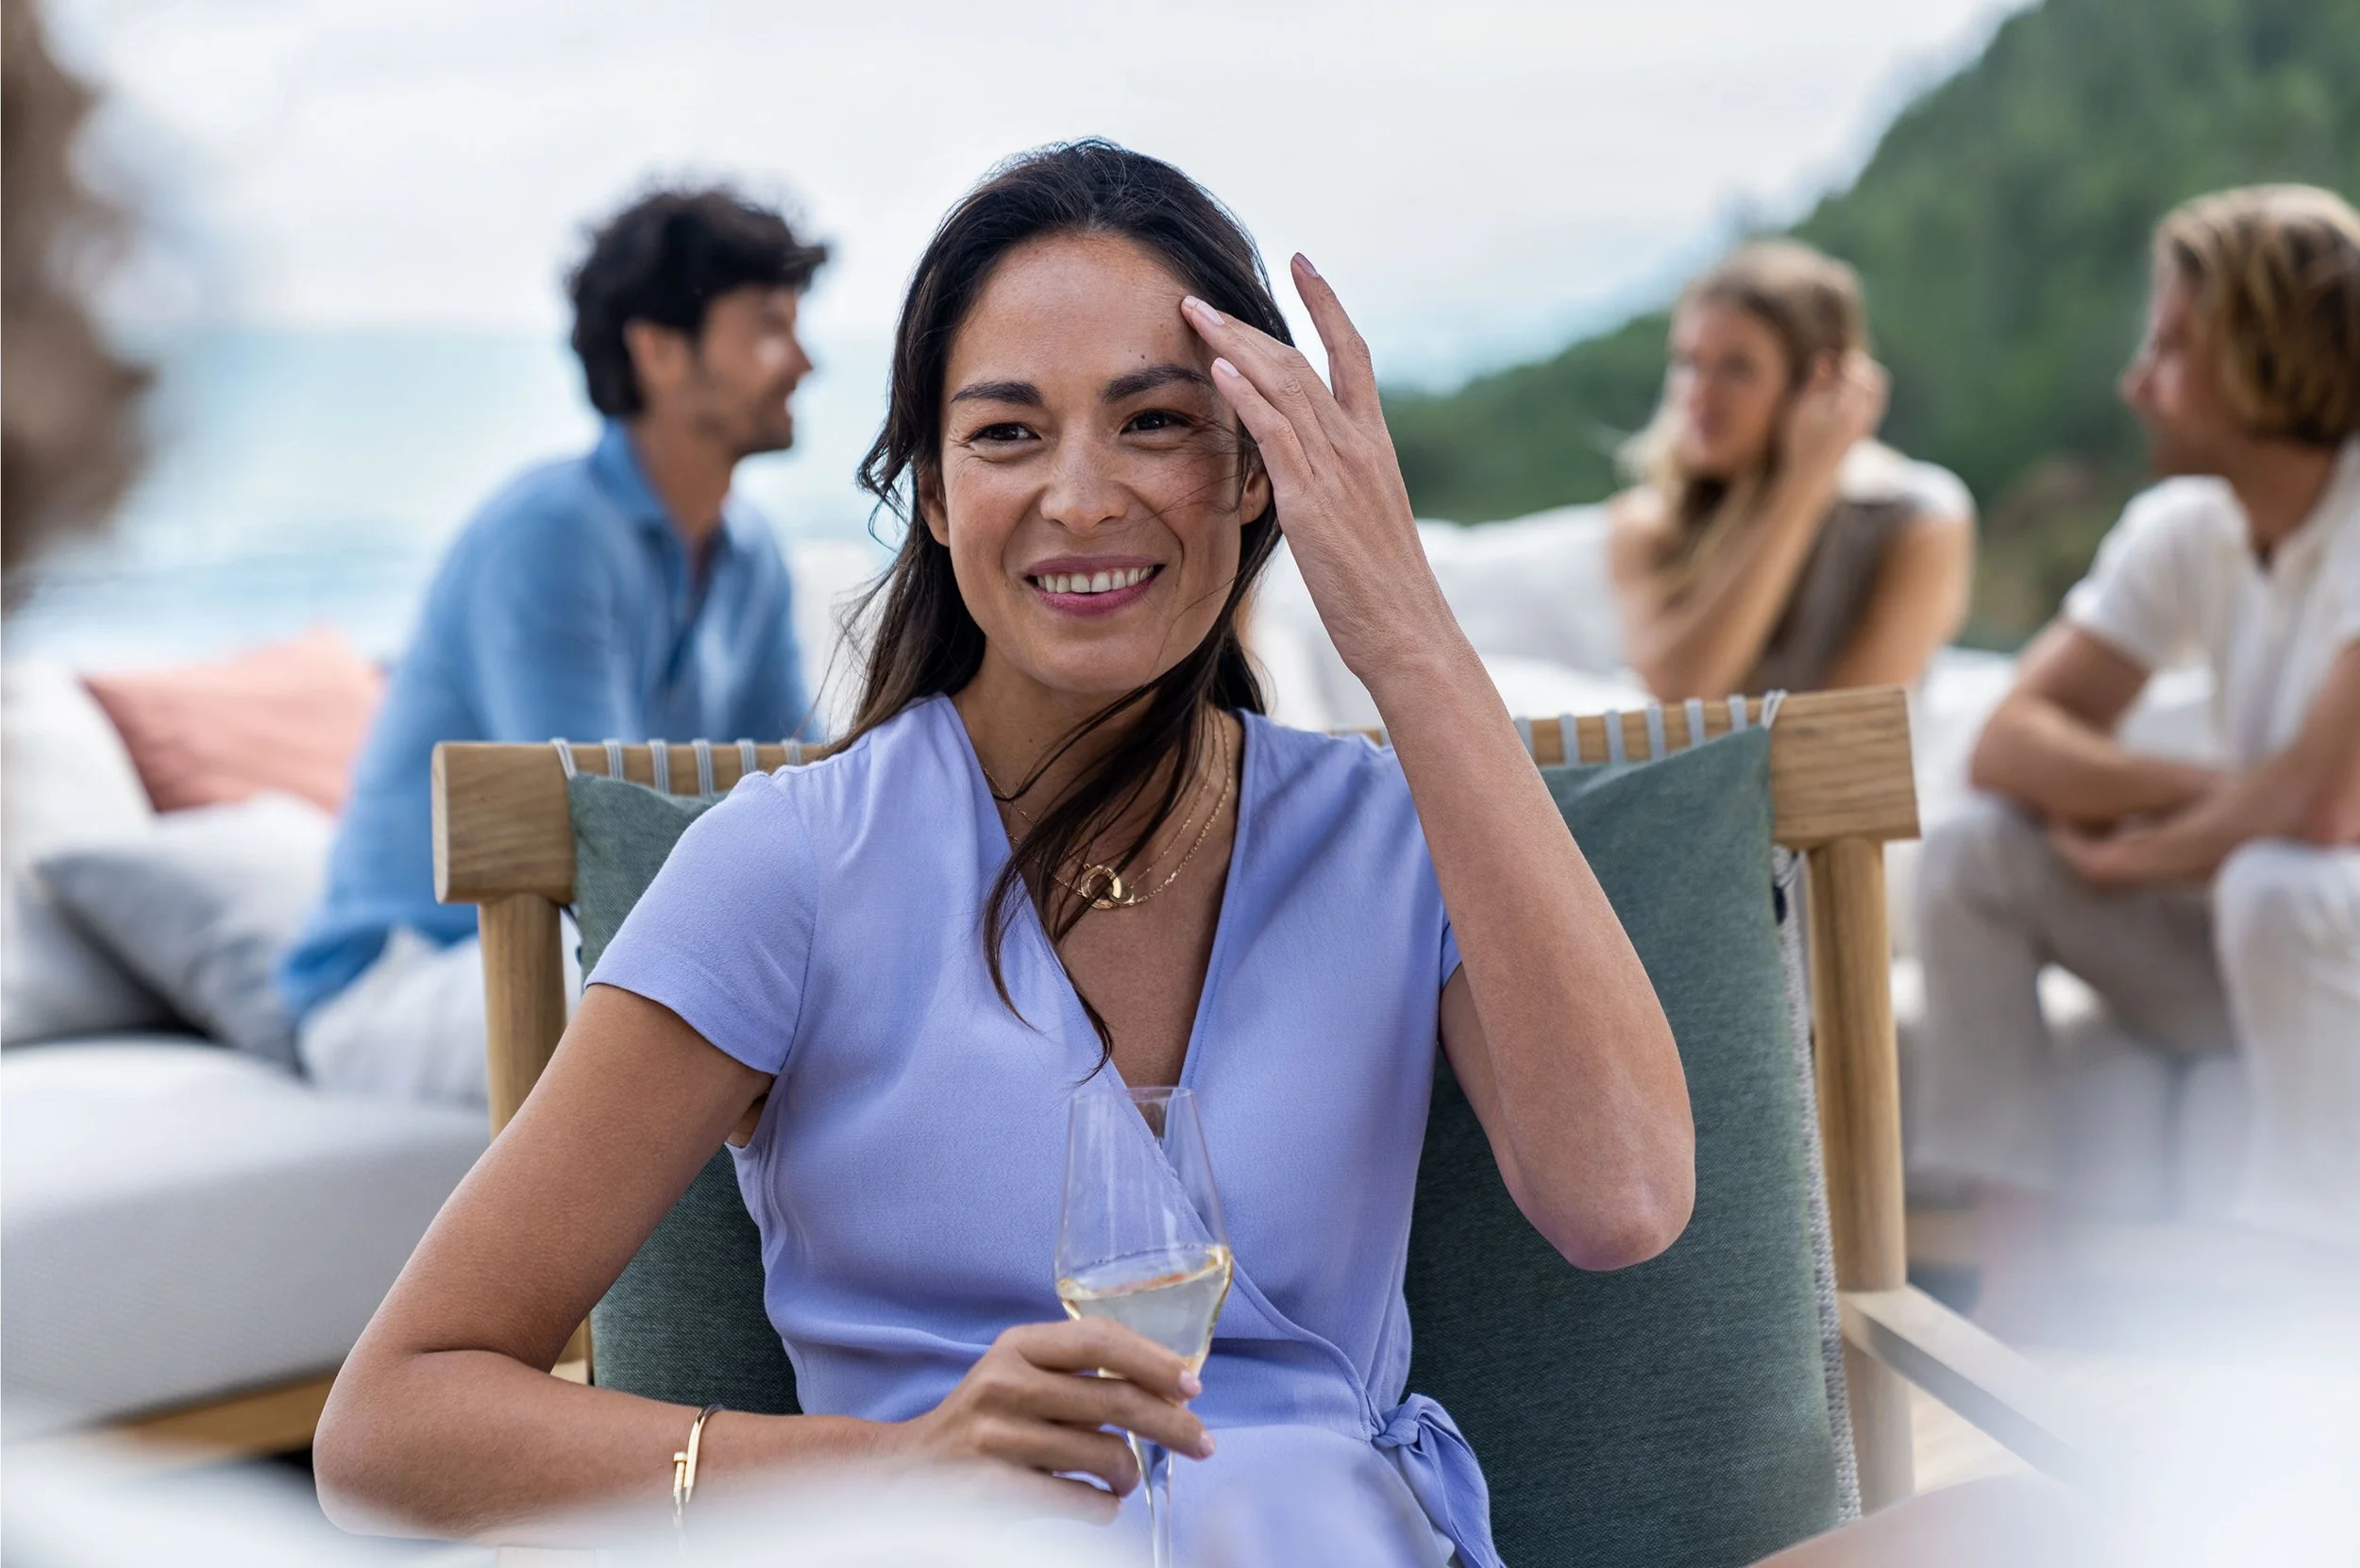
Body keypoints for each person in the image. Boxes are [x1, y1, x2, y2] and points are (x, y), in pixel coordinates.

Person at [312, 140, 1695, 1565]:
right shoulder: (792, 866)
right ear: (929, 486)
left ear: (1260, 472)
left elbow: (1624, 1200)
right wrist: (894, 1467)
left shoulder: (1395, 836)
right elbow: (391, 1428)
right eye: (1007, 433)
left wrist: (1404, 633)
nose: (1082, 499)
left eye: (1155, 422)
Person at [277, 186, 829, 1106]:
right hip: (404, 979)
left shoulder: (751, 554)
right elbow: (605, 847)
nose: (804, 361)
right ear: (657, 349)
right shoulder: (550, 536)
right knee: (724, 997)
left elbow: (809, 795)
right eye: (768, 328)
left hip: (576, 945)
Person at [1915, 184, 2360, 1272]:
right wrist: (2200, 796)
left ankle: (2306, 1279)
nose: (2134, 383)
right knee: (1974, 849)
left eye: (2168, 348)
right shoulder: (2185, 530)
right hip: (2244, 926)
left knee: (2267, 882)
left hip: (2314, 921)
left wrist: (2132, 857)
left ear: (2263, 356)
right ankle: (2014, 1277)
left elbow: (2318, 810)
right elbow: (2006, 741)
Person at [1608, 240, 1976, 700]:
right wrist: (1796, 494)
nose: (1697, 395)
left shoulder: (1921, 522)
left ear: (1820, 387)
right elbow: (1680, 692)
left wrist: (1806, 481)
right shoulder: (1648, 523)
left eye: (1737, 369)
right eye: (1688, 362)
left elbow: (1841, 736)